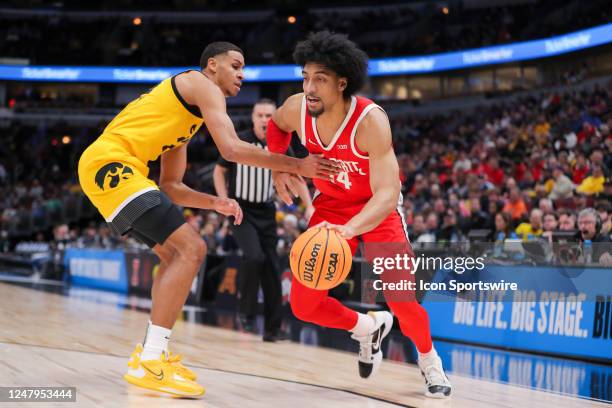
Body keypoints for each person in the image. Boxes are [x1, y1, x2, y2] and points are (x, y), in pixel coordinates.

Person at [78, 41, 338, 397]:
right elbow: (230, 149)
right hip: (112, 164)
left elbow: (171, 186)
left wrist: (215, 202)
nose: (242, 74)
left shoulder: (185, 115)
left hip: (112, 169)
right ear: (212, 65)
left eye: (244, 68)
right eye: (236, 65)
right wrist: (298, 165)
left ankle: (152, 353)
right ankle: (151, 359)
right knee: (192, 249)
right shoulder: (200, 84)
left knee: (173, 256)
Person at [266, 31, 451, 398]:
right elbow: (276, 126)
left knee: (401, 298)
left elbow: (388, 193)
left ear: (341, 82)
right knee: (304, 305)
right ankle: (366, 327)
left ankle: (429, 360)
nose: (310, 87)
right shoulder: (297, 108)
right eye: (305, 77)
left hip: (376, 211)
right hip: (331, 205)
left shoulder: (370, 121)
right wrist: (281, 168)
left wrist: (348, 229)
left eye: (319, 79)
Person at [213, 98, 313, 341]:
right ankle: (245, 313)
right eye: (260, 115)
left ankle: (273, 329)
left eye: (269, 116)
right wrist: (224, 201)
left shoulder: (281, 143)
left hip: (267, 211)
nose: (265, 120)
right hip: (242, 210)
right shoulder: (239, 140)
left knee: (271, 268)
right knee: (253, 256)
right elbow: (219, 170)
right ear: (253, 117)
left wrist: (309, 206)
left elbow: (297, 175)